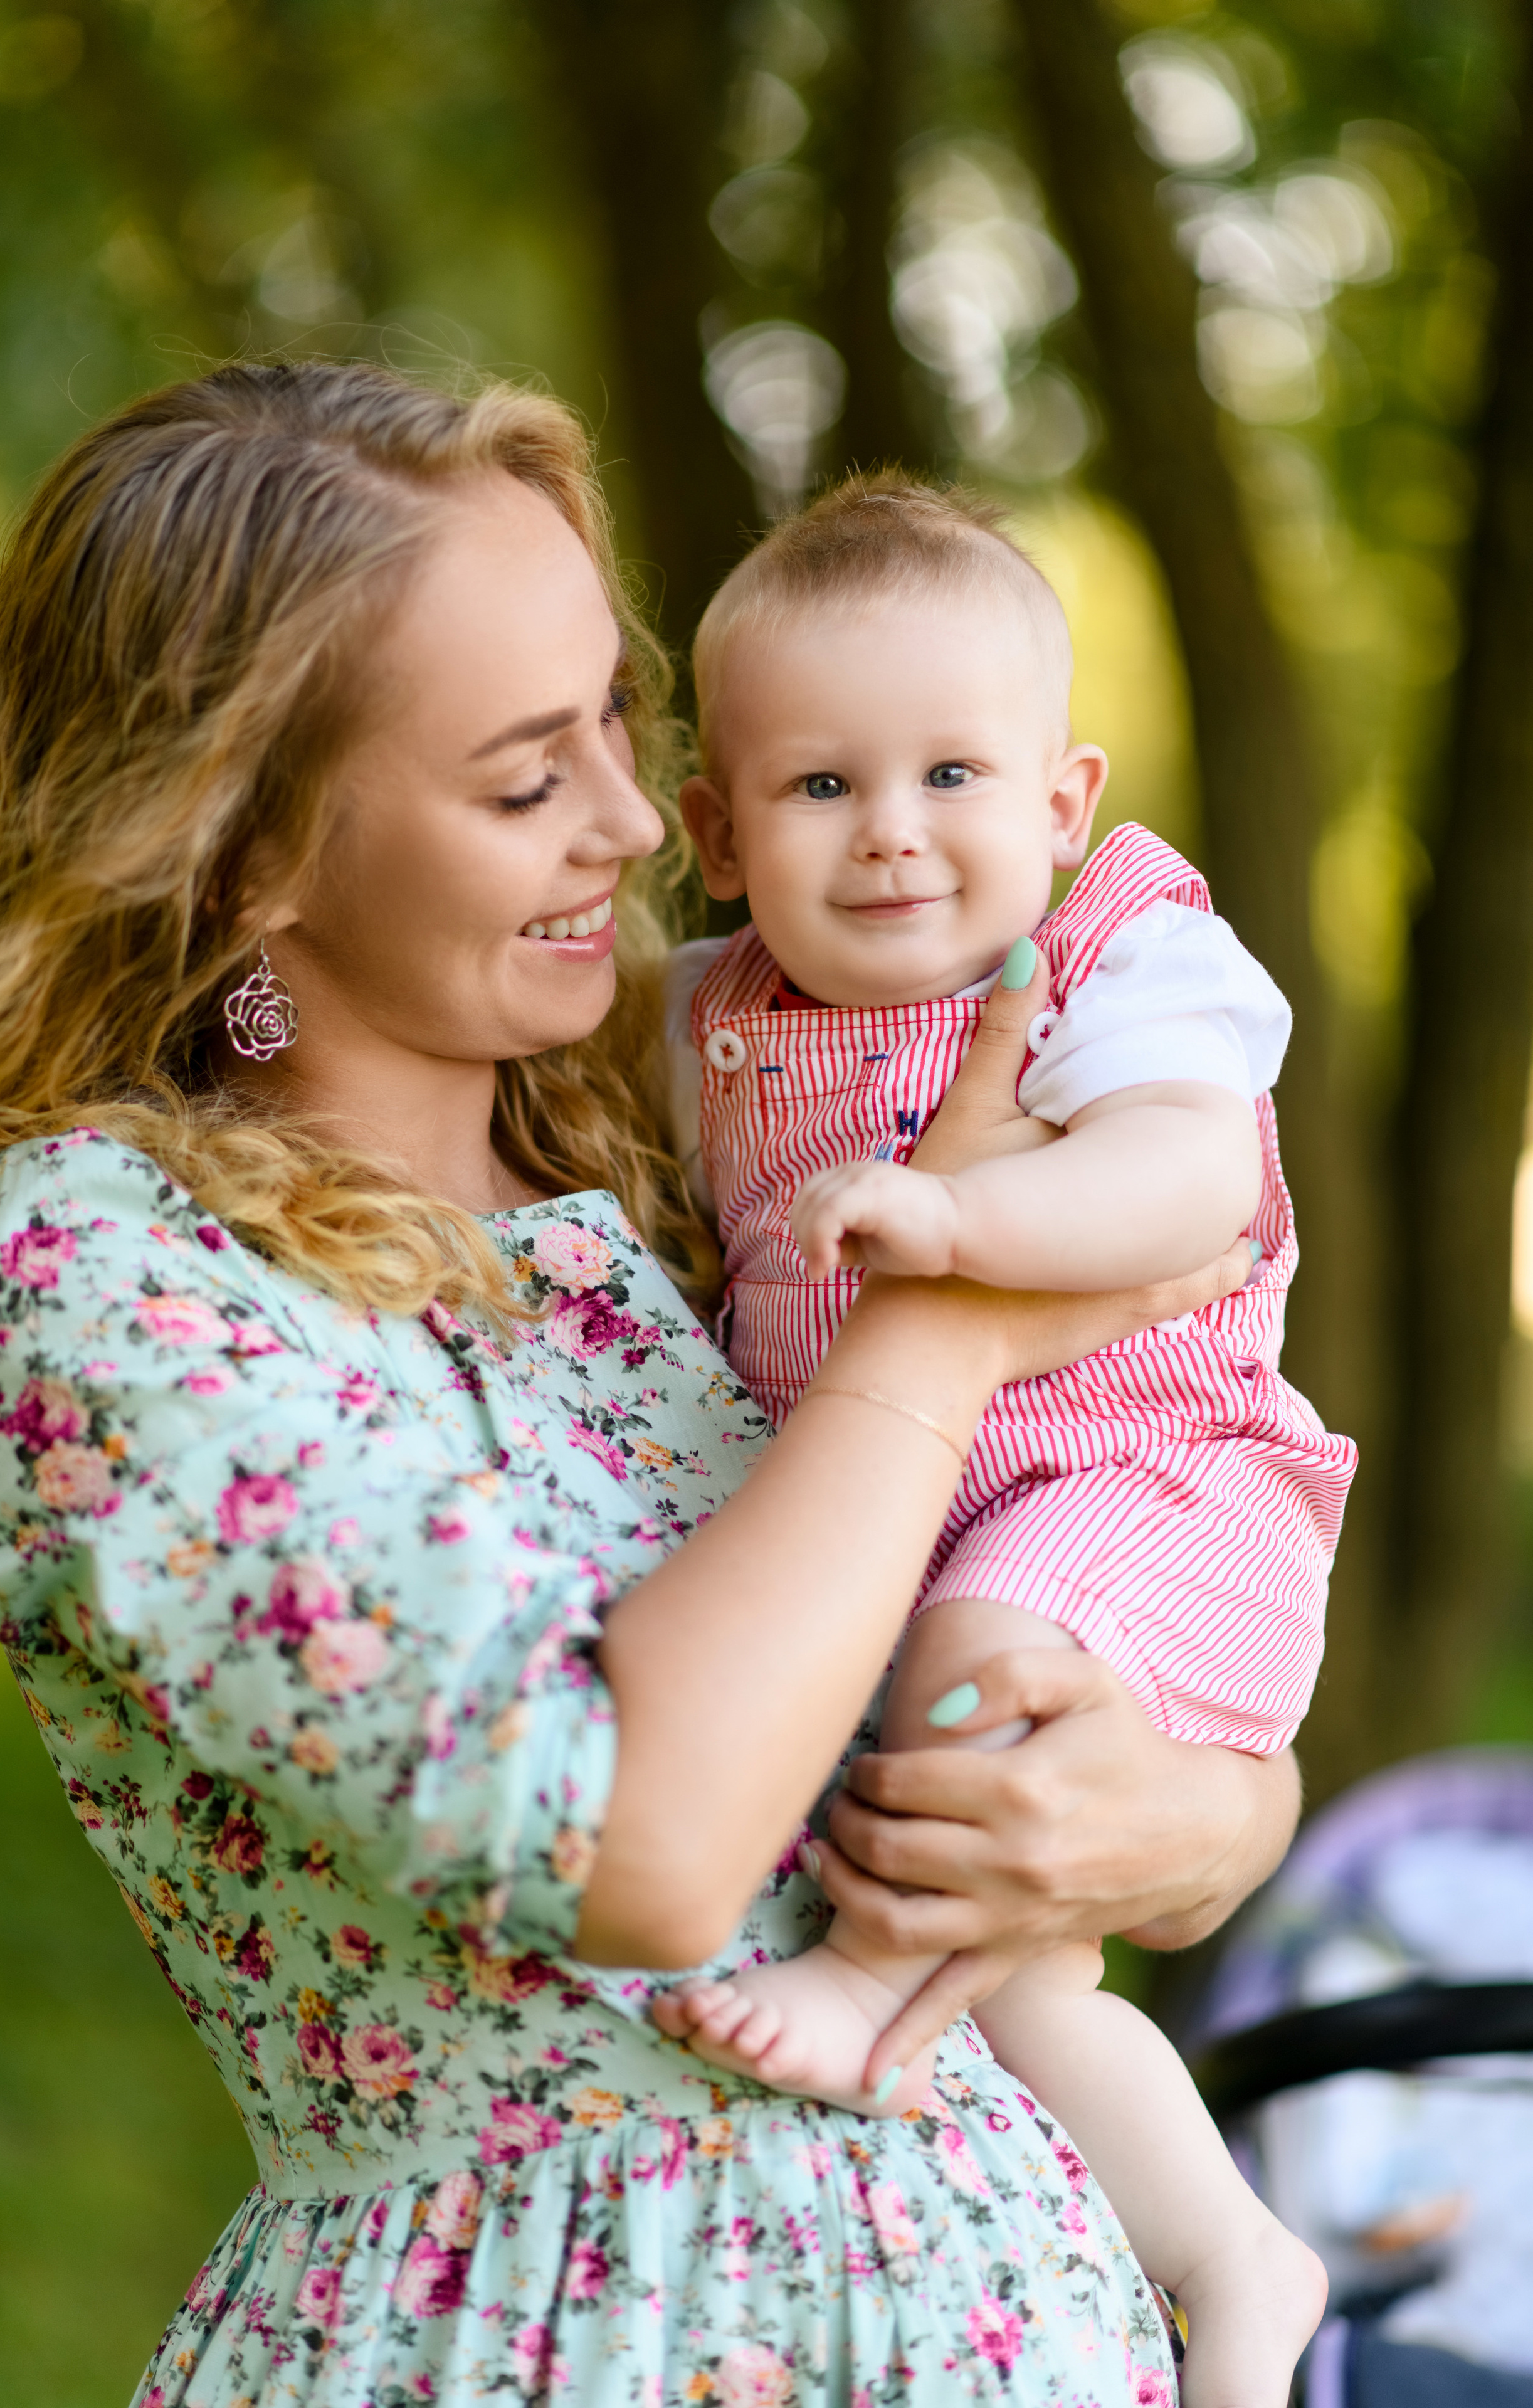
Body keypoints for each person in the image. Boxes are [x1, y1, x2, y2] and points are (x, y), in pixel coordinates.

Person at [0, 362, 1294, 2408]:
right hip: (555, 2341)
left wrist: (1204, 1814)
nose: (643, 825)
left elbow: (1103, 1571)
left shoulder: (674, 1146)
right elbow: (645, 1844)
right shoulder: (90, 1267)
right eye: (522, 782)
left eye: (615, 726)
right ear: (245, 851)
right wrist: (955, 1314)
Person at [660, 475, 1352, 2405]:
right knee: (1032, 1970)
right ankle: (1236, 2259)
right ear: (715, 834)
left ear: (1062, 800)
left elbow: (1193, 1177)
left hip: (1152, 1476)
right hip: (946, 1518)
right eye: (821, 787)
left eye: (952, 775)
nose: (892, 829)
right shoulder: (706, 1022)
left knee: (970, 1689)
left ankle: (865, 1985)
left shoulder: (1124, 958)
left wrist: (959, 1223)